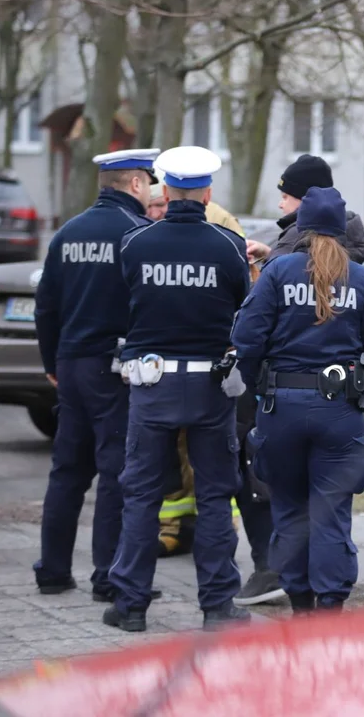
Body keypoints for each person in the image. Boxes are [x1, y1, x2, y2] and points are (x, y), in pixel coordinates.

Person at [104, 146, 251, 632]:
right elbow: (240, 306)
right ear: (207, 193)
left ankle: (129, 605)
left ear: (165, 191)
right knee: (213, 495)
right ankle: (216, 607)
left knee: (142, 495)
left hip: (151, 384)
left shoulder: (134, 243)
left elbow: (123, 307)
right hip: (210, 386)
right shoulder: (228, 246)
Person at [231, 186, 364, 613]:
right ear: (342, 228)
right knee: (333, 511)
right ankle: (331, 605)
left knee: (288, 508)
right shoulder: (362, 278)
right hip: (339, 412)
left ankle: (300, 604)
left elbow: (246, 339)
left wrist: (260, 384)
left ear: (301, 226)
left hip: (279, 408)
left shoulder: (277, 271)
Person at [31, 149, 158, 601]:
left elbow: (46, 307)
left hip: (70, 364)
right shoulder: (138, 235)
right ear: (137, 184)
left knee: (67, 470)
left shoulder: (67, 234)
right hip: (116, 368)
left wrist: (52, 365)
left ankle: (52, 570)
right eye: (150, 181)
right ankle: (109, 575)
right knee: (116, 471)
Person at [244, 154, 364, 266]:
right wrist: (268, 253)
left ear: (305, 199)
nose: (280, 204)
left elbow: (277, 278)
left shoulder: (300, 234)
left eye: (285, 197)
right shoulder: (345, 234)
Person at [147, 171, 246, 235]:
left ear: (167, 194)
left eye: (160, 205)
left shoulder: (219, 218)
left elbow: (244, 254)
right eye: (148, 207)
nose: (154, 214)